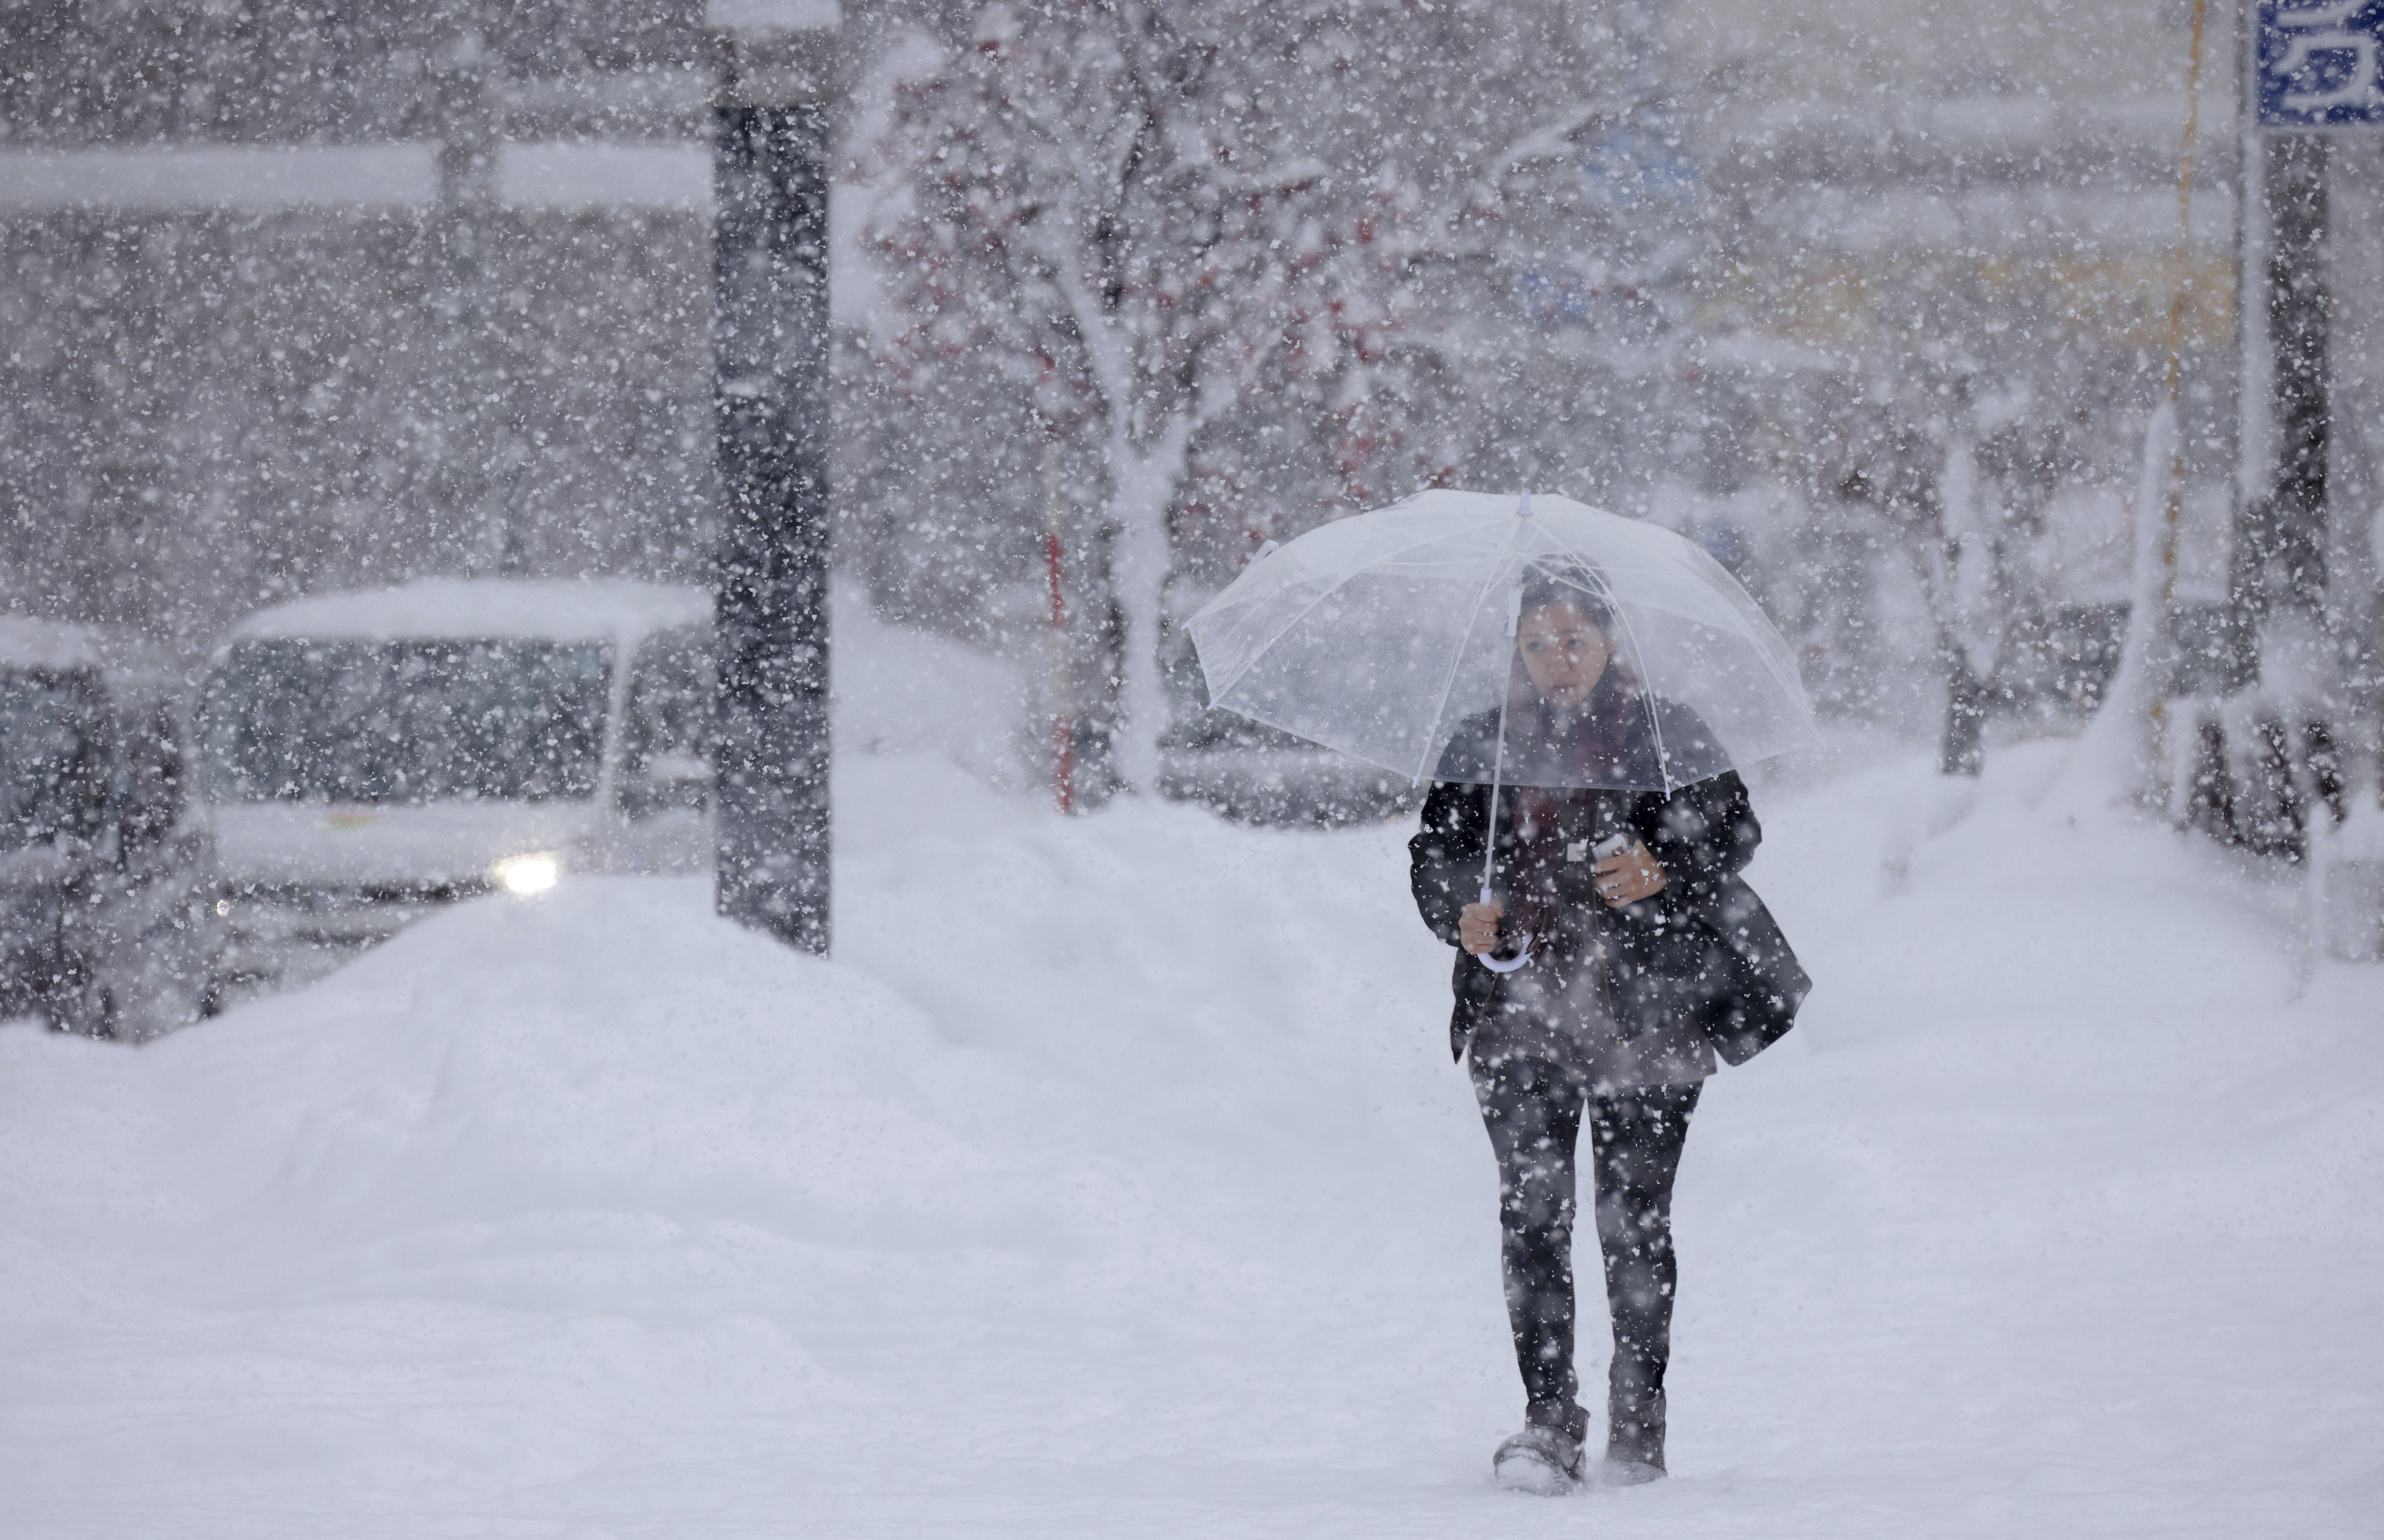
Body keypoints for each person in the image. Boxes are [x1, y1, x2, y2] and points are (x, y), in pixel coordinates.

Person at [1408, 564, 1809, 1494]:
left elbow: (1734, 829)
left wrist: (1662, 862)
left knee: (1633, 1224)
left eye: (1574, 641)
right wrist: (1459, 906)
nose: (1557, 661)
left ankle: (1639, 1425)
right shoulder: (1485, 739)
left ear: (1610, 642)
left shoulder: (1668, 734)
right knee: (1531, 1215)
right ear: (1516, 647)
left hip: (1647, 1018)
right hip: (1515, 1015)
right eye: (1538, 643)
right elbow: (1436, 852)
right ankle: (1548, 1421)